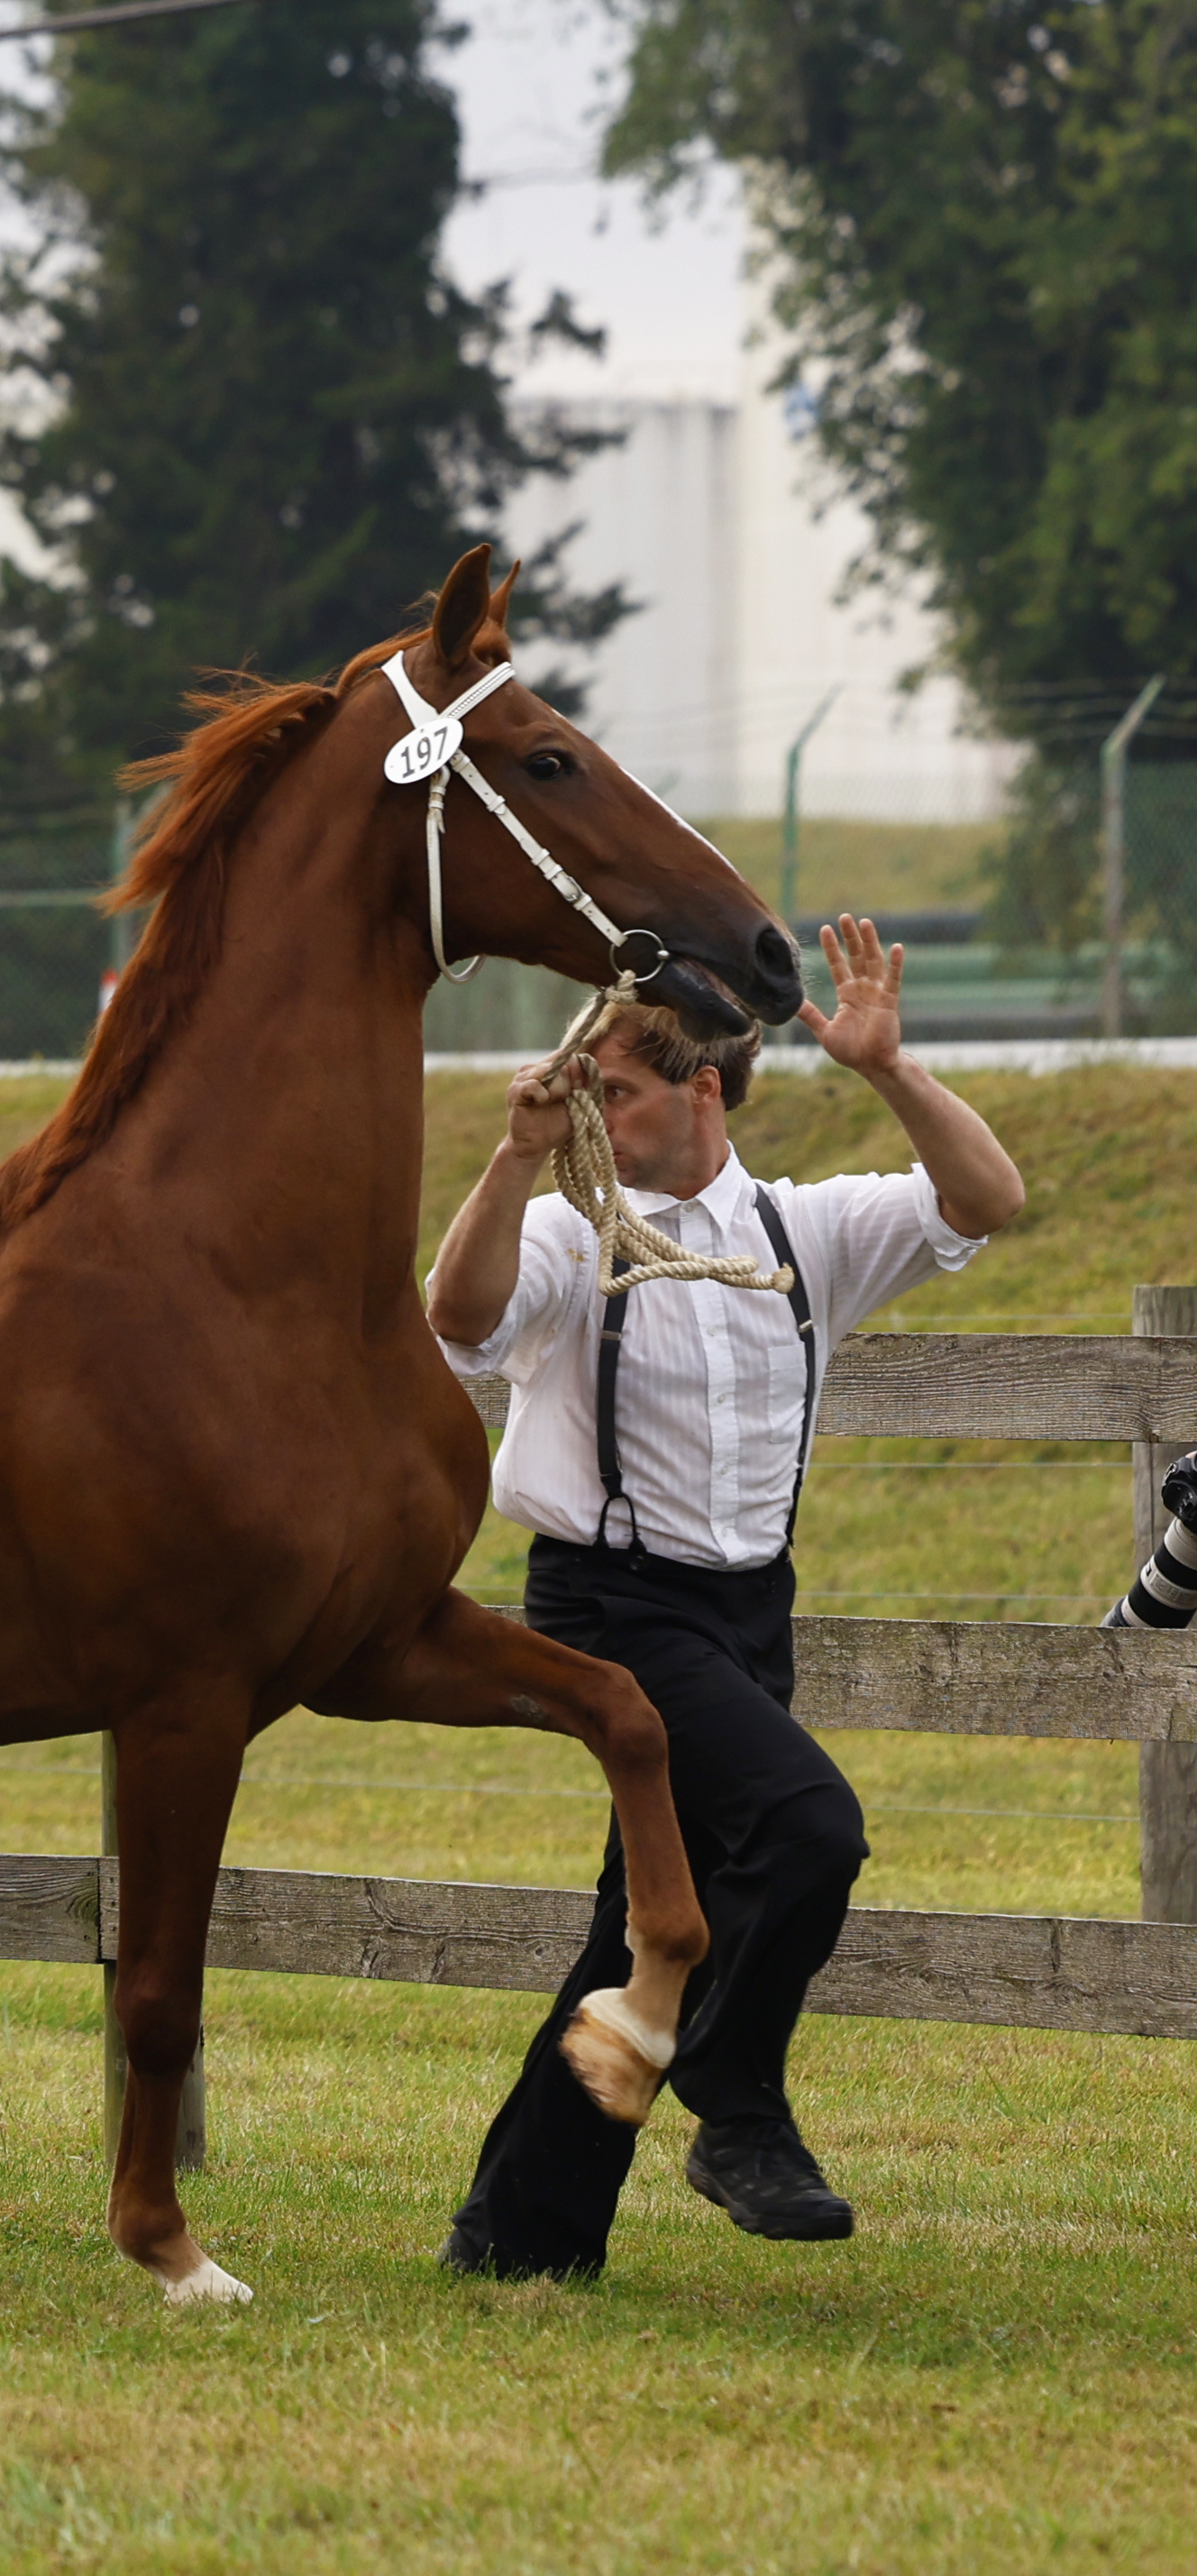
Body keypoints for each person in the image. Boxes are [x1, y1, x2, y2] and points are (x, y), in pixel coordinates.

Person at [425, 915, 1028, 2281]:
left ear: (702, 1090)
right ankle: (737, 2111)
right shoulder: (565, 1234)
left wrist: (888, 1070)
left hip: (750, 1612)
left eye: (617, 1093)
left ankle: (516, 2239)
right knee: (808, 1829)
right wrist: (516, 1150)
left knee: (638, 1921)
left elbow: (984, 1200)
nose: (599, 1114)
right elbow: (457, 1319)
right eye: (585, 1091)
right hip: (609, 1610)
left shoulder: (799, 1230)